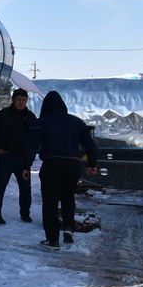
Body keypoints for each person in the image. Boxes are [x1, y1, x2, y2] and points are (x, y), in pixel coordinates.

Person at [37, 90, 98, 249]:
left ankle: (52, 239)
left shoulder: (43, 122)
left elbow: (32, 144)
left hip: (51, 164)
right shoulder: (77, 122)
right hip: (72, 165)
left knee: (50, 203)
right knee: (68, 198)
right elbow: (90, 145)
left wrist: (24, 163)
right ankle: (69, 228)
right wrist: (92, 164)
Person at [0, 88, 38, 224]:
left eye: (24, 100)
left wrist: (30, 157)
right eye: (19, 100)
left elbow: (35, 138)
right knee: (0, 186)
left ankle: (25, 214)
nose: (21, 103)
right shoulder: (3, 115)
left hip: (23, 159)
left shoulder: (30, 117)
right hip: (7, 157)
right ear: (13, 100)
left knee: (25, 188)